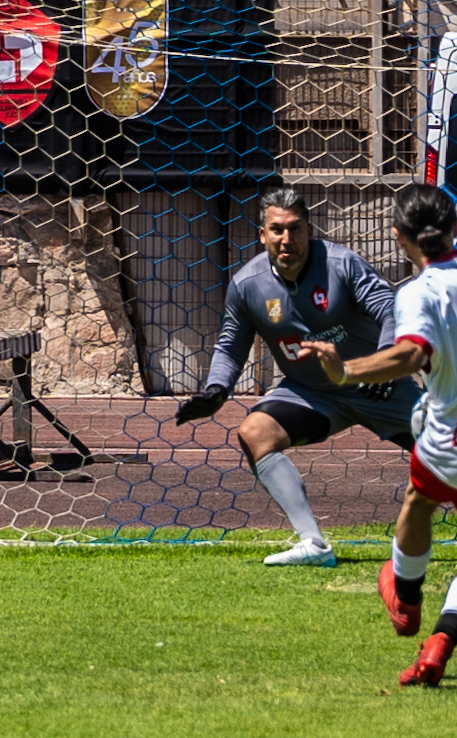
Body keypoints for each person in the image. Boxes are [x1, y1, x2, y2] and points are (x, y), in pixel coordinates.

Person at [297, 184, 457, 689]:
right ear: (456, 227)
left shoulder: (418, 291)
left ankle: (407, 597)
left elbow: (412, 354)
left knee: (419, 500)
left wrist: (345, 370)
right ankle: (442, 642)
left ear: (398, 236)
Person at [171, 186, 422, 567]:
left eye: (295, 228)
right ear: (262, 235)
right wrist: (216, 390)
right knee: (255, 432)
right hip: (311, 393)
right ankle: (314, 544)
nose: (286, 239)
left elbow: (390, 309)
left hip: (377, 386)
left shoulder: (342, 264)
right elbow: (231, 345)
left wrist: (385, 361)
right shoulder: (247, 285)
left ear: (310, 230)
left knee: (454, 451)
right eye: (277, 230)